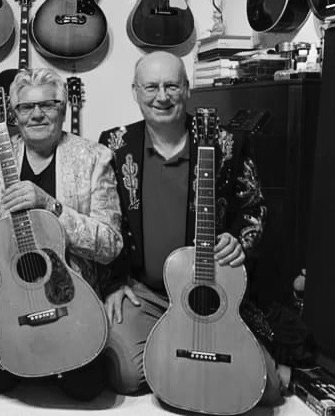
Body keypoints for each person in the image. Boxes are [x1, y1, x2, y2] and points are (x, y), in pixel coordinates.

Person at [98, 51, 287, 403]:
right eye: (151, 87)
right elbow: (103, 220)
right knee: (127, 376)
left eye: (171, 85)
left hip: (212, 292)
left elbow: (254, 208)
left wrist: (239, 241)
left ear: (187, 90)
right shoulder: (115, 144)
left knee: (266, 390)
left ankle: (196, 347)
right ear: (135, 91)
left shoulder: (227, 144)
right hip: (146, 293)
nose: (161, 96)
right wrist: (112, 283)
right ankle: (171, 337)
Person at [0, 68, 123, 400]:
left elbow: (109, 244)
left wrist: (51, 205)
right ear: (14, 115)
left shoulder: (94, 157)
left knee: (85, 387)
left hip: (71, 296)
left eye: (47, 105)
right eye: (25, 107)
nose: (36, 114)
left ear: (63, 108)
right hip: (11, 289)